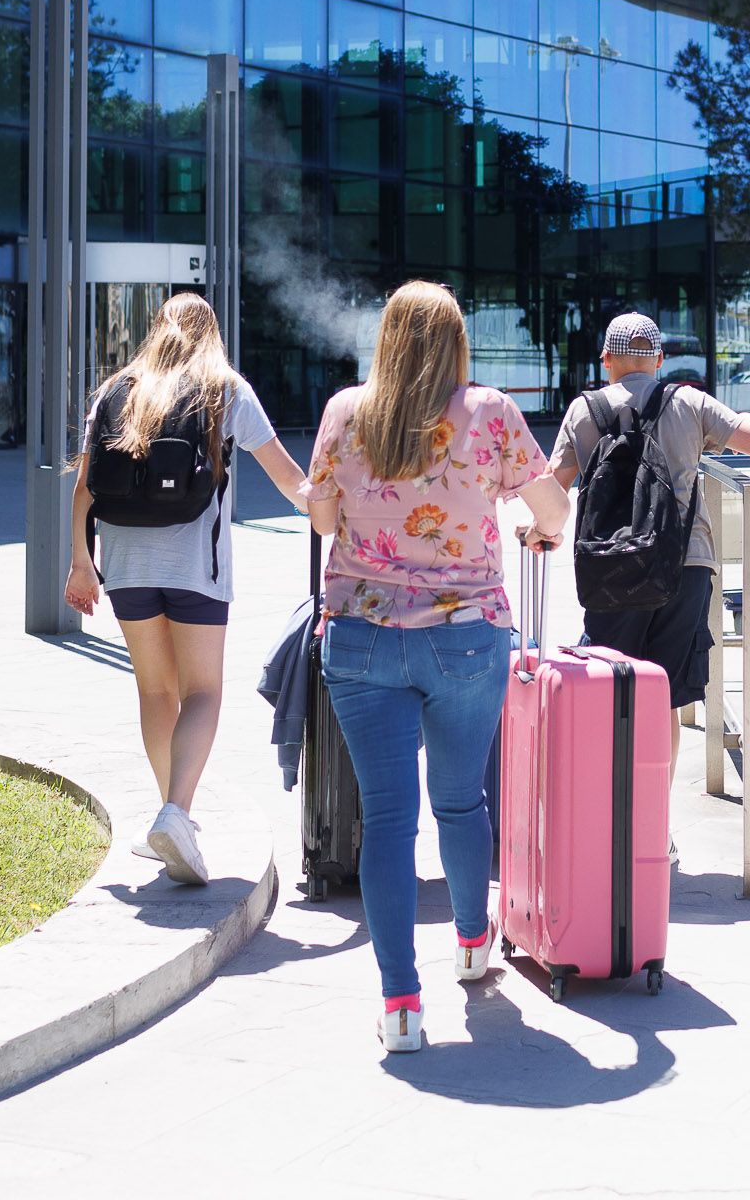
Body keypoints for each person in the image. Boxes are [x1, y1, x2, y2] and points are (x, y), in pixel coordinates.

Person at [303, 281, 569, 1055]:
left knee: (388, 817)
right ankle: (472, 941)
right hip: (466, 638)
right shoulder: (489, 412)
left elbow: (322, 517)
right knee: (460, 800)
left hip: (361, 635)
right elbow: (552, 511)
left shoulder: (346, 412)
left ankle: (399, 1005)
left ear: (386, 339)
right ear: (456, 344)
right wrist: (536, 529)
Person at [64, 294, 303, 887]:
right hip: (197, 569)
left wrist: (80, 565)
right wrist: (329, 507)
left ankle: (171, 815)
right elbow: (286, 477)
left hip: (125, 565)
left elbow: (85, 489)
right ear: (211, 334)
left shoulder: (117, 387)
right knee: (203, 692)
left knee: (154, 690)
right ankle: (175, 813)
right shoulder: (225, 389)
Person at [549, 313, 750, 780]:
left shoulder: (583, 410)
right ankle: (658, 814)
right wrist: (723, 425)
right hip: (684, 565)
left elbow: (553, 490)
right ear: (659, 359)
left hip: (609, 568)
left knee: (609, 688)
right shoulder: (688, 401)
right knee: (662, 697)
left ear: (606, 359)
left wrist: (540, 530)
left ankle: (610, 807)